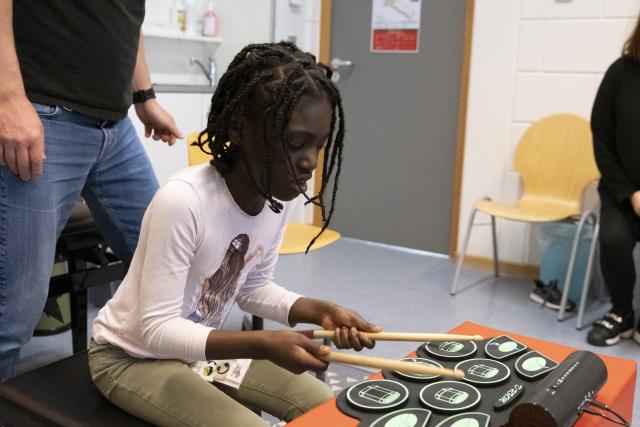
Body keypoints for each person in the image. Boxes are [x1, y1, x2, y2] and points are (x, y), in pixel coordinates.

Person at [88, 41, 381, 426]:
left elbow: (251, 288)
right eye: (295, 144)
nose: (309, 161)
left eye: (318, 146)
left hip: (197, 354)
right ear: (240, 128)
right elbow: (157, 331)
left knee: (329, 410)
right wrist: (262, 344)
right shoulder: (184, 201)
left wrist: (320, 310)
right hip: (130, 359)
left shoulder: (277, 195)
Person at [0, 0, 182, 381]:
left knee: (167, 268)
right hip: (42, 113)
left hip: (116, 128)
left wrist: (144, 96)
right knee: (12, 314)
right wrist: (8, 100)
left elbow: (128, 15)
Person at [587, 16, 640, 347]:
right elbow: (601, 139)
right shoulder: (620, 73)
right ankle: (622, 313)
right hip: (621, 191)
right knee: (613, 238)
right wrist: (630, 192)